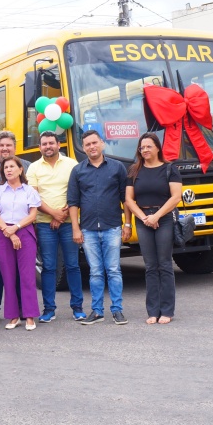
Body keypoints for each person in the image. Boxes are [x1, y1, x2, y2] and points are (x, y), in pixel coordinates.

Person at [69, 130, 131, 325]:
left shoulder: (117, 168)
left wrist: (127, 224)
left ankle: (117, 310)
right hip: (87, 229)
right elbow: (73, 202)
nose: (91, 147)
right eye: (87, 144)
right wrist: (75, 229)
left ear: (102, 143)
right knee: (95, 271)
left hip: (112, 227)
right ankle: (97, 311)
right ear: (84, 148)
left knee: (113, 270)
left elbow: (126, 199)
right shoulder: (78, 171)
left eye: (94, 143)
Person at [124, 132, 182, 325]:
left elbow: (176, 197)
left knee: (164, 264)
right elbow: (129, 199)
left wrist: (156, 216)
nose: (145, 150)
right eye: (142, 147)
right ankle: (152, 311)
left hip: (164, 218)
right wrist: (144, 218)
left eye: (149, 146)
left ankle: (167, 310)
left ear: (157, 147)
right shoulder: (134, 170)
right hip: (143, 219)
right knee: (150, 266)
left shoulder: (169, 169)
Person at [26, 130, 83, 323]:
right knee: (49, 267)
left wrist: (62, 215)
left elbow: (77, 191)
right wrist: (54, 214)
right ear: (40, 147)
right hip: (44, 224)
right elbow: (34, 198)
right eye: (44, 144)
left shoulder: (71, 164)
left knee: (73, 265)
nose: (48, 146)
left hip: (69, 222)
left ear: (59, 145)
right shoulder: (33, 168)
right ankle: (49, 309)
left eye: (51, 143)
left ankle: (78, 308)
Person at [0, 156, 41, 331]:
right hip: (4, 233)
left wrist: (16, 228)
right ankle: (13, 316)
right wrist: (9, 232)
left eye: (12, 166)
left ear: (20, 169)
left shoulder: (29, 191)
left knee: (27, 276)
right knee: (8, 276)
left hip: (24, 232)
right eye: (5, 168)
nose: (8, 170)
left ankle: (30, 316)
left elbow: (32, 215)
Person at [0, 131, 31, 321]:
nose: (5, 148)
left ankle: (21, 309)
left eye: (8, 145)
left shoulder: (26, 166)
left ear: (15, 147)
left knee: (21, 272)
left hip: (22, 228)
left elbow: (31, 198)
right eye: (1, 145)